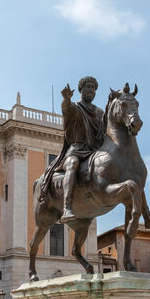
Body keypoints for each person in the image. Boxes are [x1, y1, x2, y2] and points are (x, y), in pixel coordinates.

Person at [40, 76, 104, 222]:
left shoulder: (100, 112)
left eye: (93, 88)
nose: (91, 90)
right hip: (77, 149)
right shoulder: (75, 107)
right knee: (73, 164)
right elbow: (66, 109)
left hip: (94, 151)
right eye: (88, 87)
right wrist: (66, 99)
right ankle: (67, 207)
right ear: (81, 89)